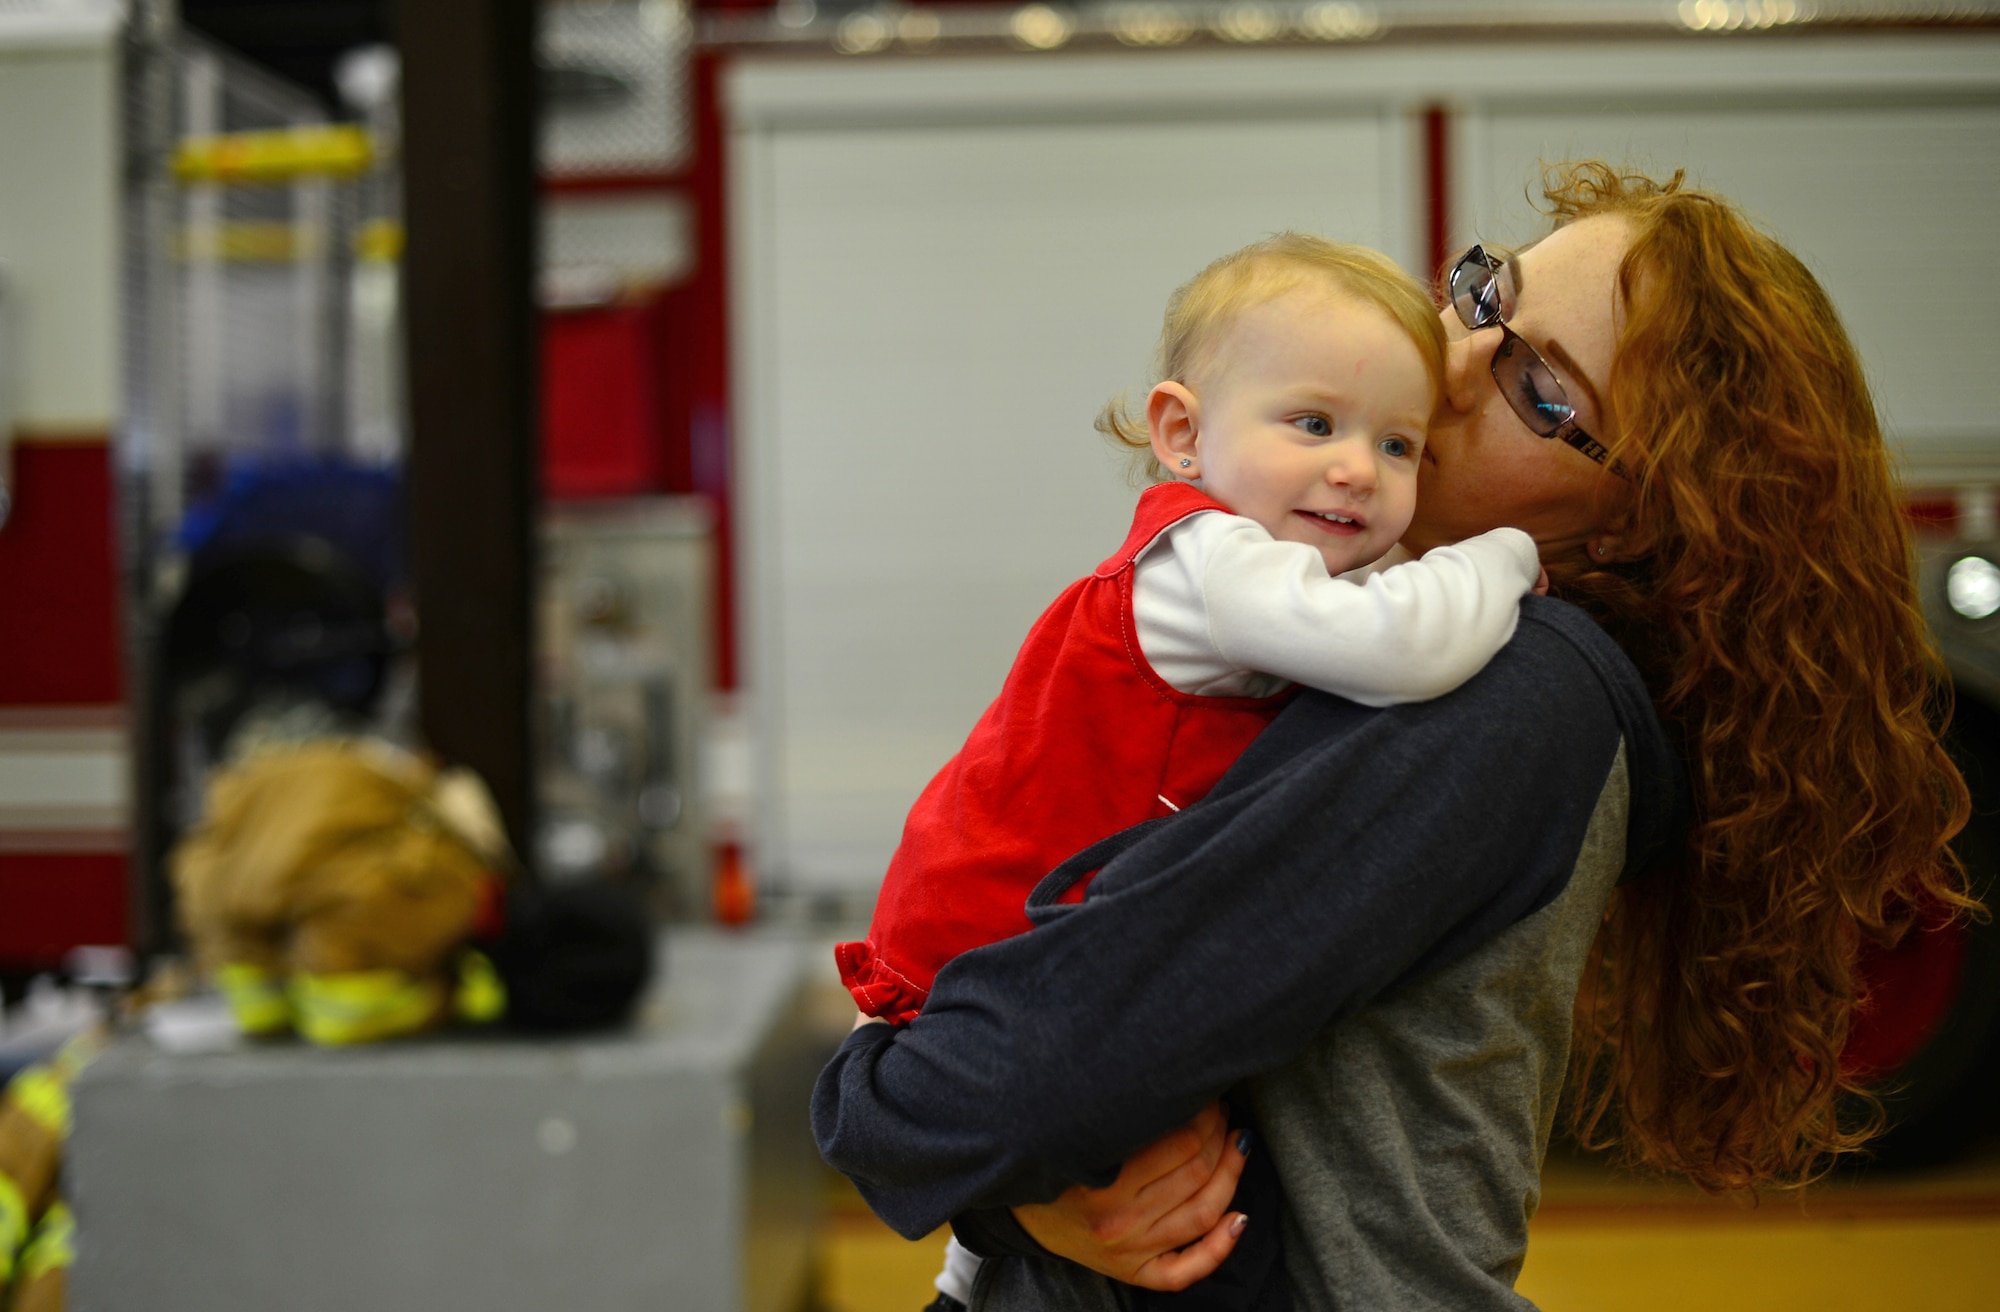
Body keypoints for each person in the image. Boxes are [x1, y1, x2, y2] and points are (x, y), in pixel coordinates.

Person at [813, 163, 1975, 1311]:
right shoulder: (1411, 639)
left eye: (1541, 388)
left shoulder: (1512, 694)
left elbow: (1021, 1080)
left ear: (1643, 520)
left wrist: (877, 1101)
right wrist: (1014, 1188)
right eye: (1484, 296)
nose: (1455, 360)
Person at [832, 235, 1542, 1309]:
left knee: (1050, 1225)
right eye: (1312, 423)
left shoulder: (1257, 568)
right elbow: (1399, 646)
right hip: (986, 938)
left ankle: (972, 1275)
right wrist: (1501, 555)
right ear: (1181, 433)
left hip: (1042, 944)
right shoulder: (1206, 561)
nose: (1356, 467)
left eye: (1398, 445)